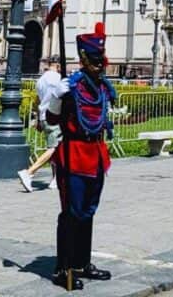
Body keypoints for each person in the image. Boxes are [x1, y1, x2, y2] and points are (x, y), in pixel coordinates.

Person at [49, 23, 115, 290]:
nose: (101, 65)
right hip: (74, 156)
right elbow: (51, 119)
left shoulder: (101, 86)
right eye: (96, 60)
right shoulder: (72, 87)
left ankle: (82, 263)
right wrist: (56, 97)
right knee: (71, 213)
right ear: (84, 59)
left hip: (96, 155)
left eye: (102, 60)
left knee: (88, 212)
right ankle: (62, 268)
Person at [18, 57, 62, 193]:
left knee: (54, 148)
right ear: (59, 65)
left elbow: (38, 100)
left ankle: (56, 179)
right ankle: (29, 172)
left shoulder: (41, 79)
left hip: (43, 116)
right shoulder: (59, 79)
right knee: (54, 148)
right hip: (55, 116)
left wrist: (37, 119)